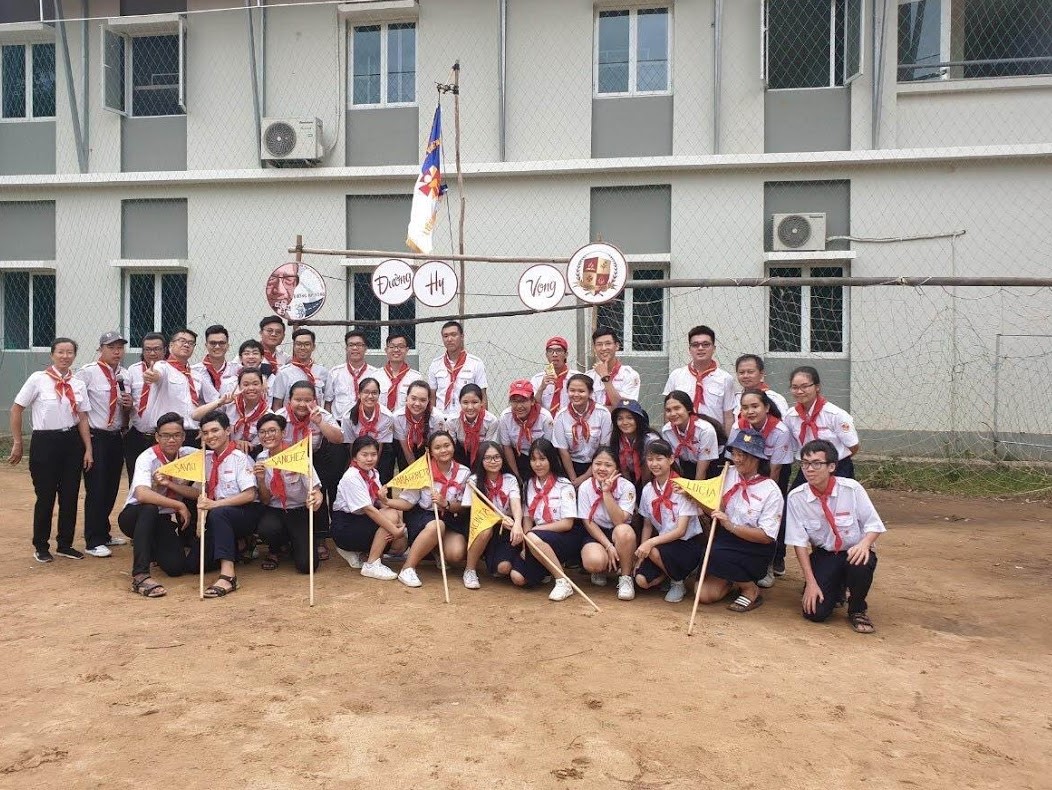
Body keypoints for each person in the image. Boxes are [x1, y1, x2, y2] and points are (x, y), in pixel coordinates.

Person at [785, 439, 885, 634]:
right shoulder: (796, 497)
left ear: (831, 466)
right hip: (825, 554)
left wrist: (864, 544)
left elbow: (874, 525)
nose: (809, 469)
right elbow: (799, 543)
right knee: (815, 613)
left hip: (853, 551)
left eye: (816, 463)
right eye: (805, 463)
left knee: (861, 563)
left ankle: (857, 608)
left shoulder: (851, 489)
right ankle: (837, 587)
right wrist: (811, 583)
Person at [9, 337, 93, 562]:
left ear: (75, 355)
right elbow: (17, 409)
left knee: (70, 495)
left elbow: (83, 417)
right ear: (52, 354)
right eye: (61, 352)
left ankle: (65, 544)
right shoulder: (38, 379)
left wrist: (88, 448)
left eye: (70, 352)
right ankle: (41, 545)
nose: (65, 356)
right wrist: (18, 442)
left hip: (71, 442)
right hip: (45, 442)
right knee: (45, 496)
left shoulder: (78, 383)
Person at [694, 429, 783, 613]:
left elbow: (766, 536)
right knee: (703, 594)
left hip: (754, 547)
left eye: (743, 455)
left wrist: (730, 525)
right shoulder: (728, 474)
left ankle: (750, 588)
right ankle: (732, 580)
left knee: (717, 554)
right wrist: (694, 497)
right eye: (734, 454)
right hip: (727, 539)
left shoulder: (771, 491)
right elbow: (716, 510)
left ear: (757, 458)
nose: (737, 459)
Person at [117, 412, 200, 597]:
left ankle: (154, 547)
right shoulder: (147, 458)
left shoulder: (190, 455)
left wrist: (170, 485)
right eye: (165, 435)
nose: (171, 440)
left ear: (184, 436)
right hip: (134, 516)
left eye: (176, 435)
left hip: (162, 519)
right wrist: (179, 505)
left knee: (175, 567)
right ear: (157, 437)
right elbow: (142, 494)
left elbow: (198, 493)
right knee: (149, 508)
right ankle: (140, 575)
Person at [75, 331, 133, 557]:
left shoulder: (124, 375)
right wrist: (85, 444)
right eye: (111, 347)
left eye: (120, 347)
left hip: (116, 436)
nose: (117, 352)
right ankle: (93, 540)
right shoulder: (87, 372)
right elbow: (79, 408)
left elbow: (126, 412)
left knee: (111, 487)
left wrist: (128, 406)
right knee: (96, 488)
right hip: (95, 436)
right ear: (101, 349)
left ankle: (104, 532)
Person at [393, 431, 471, 589]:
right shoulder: (422, 471)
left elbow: (464, 507)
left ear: (453, 447)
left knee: (456, 554)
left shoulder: (464, 472)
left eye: (447, 445)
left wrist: (446, 503)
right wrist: (386, 501)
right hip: (424, 516)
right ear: (430, 451)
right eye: (438, 447)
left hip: (450, 516)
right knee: (437, 525)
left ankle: (435, 550)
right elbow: (408, 502)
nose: (443, 450)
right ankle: (407, 568)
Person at [509, 438, 581, 602]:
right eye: (533, 459)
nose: (538, 464)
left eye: (542, 459)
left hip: (564, 537)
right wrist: (527, 543)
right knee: (517, 577)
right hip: (538, 540)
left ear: (551, 460)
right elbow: (527, 517)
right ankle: (547, 570)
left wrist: (533, 533)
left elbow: (567, 523)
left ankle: (562, 581)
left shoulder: (564, 485)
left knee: (533, 537)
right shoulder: (529, 484)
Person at [196, 410, 258, 598]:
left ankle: (228, 575)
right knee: (193, 565)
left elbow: (249, 495)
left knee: (219, 513)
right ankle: (237, 547)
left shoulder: (240, 458)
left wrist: (215, 505)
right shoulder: (206, 459)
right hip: (217, 516)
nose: (210, 436)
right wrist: (169, 485)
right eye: (205, 433)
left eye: (215, 430)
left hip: (243, 513)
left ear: (228, 430)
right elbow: (199, 492)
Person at [634, 439, 704, 604]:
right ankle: (668, 573)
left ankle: (678, 582)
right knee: (641, 581)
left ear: (671, 459)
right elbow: (647, 524)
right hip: (663, 543)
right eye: (650, 459)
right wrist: (642, 554)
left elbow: (681, 531)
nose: (654, 464)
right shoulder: (648, 490)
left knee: (653, 551)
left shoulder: (682, 488)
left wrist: (650, 543)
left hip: (686, 544)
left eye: (659, 459)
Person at [253, 413, 324, 574]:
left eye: (272, 430)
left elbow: (316, 491)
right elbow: (265, 500)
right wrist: (261, 480)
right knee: (267, 529)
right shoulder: (261, 459)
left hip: (299, 510)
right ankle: (276, 548)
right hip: (275, 509)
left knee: (307, 566)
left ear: (283, 433)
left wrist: (315, 499)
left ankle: (294, 544)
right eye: (262, 432)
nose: (267, 435)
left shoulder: (298, 456)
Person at [330, 436, 406, 580]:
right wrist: (394, 529)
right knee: (390, 516)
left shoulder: (373, 473)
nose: (369, 459)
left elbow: (381, 502)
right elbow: (370, 510)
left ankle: (362, 552)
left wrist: (398, 523)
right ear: (355, 456)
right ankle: (372, 564)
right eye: (364, 455)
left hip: (362, 521)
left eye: (373, 454)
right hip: (346, 526)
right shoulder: (352, 476)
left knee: (400, 544)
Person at [461, 440, 523, 589]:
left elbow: (515, 503)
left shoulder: (510, 479)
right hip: (480, 525)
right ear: (480, 460)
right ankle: (470, 570)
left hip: (506, 527)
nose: (493, 461)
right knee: (486, 530)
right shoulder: (473, 481)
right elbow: (472, 511)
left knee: (503, 568)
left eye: (496, 457)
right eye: (487, 458)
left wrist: (517, 524)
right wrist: (499, 520)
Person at [578, 447, 638, 600]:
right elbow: (588, 522)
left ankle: (625, 578)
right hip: (597, 531)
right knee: (594, 562)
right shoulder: (585, 487)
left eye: (608, 465)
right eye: (598, 464)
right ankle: (601, 570)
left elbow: (619, 521)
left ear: (617, 468)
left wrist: (606, 492)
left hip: (620, 532)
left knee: (624, 531)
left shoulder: (627, 487)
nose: (602, 468)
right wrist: (608, 546)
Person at [782, 366, 860, 481]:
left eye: (805, 386)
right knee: (796, 492)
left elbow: (853, 446)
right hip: (808, 467)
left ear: (817, 387)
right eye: (795, 387)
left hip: (836, 467)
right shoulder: (790, 416)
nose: (799, 391)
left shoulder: (835, 414)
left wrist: (830, 462)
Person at [662, 325, 736, 435]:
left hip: (714, 437)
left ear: (714, 348)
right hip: (681, 437)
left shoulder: (725, 378)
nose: (700, 348)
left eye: (706, 344)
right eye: (695, 345)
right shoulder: (676, 375)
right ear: (689, 349)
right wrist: (669, 437)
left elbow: (728, 415)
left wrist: (727, 443)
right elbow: (667, 410)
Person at [141, 328, 205, 446]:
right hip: (167, 434)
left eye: (191, 343)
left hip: (193, 434)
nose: (186, 345)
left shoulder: (197, 375)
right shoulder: (163, 366)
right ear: (171, 345)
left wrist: (205, 426)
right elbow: (157, 374)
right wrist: (152, 376)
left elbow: (212, 400)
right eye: (182, 341)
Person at [192, 366, 270, 456]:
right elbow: (195, 416)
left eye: (255, 384)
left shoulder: (267, 414)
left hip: (250, 454)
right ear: (239, 387)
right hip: (222, 450)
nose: (251, 388)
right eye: (246, 384)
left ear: (262, 386)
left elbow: (258, 446)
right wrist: (220, 402)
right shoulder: (230, 404)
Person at [552, 373, 612, 486]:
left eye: (581, 391)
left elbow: (603, 448)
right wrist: (574, 479)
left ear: (590, 393)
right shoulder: (561, 416)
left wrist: (584, 477)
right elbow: (563, 451)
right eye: (572, 390)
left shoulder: (603, 414)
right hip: (570, 466)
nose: (576, 394)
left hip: (597, 464)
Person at [123, 332, 167, 480]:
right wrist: (127, 403)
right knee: (136, 479)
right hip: (138, 434)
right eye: (148, 349)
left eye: (157, 349)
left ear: (165, 350)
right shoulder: (133, 370)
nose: (152, 353)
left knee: (162, 480)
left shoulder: (171, 370)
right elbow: (127, 402)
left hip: (163, 437)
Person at [427, 320, 488, 416]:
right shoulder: (435, 364)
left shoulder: (475, 363)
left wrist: (482, 420)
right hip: (442, 418)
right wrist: (432, 418)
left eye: (453, 335)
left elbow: (482, 396)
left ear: (462, 337)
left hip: (466, 417)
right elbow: (432, 396)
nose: (449, 339)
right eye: (445, 336)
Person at [341, 377, 397, 482]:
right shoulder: (348, 417)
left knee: (382, 477)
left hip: (379, 450)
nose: (370, 396)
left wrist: (372, 467)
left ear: (379, 395)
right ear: (359, 394)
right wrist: (356, 464)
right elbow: (351, 443)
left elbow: (381, 443)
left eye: (374, 393)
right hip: (356, 451)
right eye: (366, 392)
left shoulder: (387, 416)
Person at [497, 380, 554, 481]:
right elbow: (507, 447)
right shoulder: (505, 417)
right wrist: (516, 477)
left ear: (532, 401)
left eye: (523, 401)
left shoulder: (545, 417)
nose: (519, 406)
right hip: (517, 456)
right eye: (514, 401)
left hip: (540, 457)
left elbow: (548, 450)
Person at [660, 390, 724, 480]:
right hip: (688, 464)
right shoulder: (667, 431)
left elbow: (701, 471)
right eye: (668, 410)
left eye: (677, 408)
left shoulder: (705, 430)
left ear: (688, 409)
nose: (673, 414)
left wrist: (695, 488)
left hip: (712, 464)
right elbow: (674, 463)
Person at [270, 328, 328, 409]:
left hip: (315, 415)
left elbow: (328, 400)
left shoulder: (322, 371)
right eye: (298, 344)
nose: (302, 348)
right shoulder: (284, 372)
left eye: (307, 344)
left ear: (313, 347)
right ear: (294, 346)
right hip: (290, 416)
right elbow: (277, 403)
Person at [610, 399, 659, 495]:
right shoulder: (616, 439)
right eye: (620, 419)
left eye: (630, 418)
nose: (625, 422)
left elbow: (652, 467)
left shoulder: (651, 440)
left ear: (638, 419)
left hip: (652, 479)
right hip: (628, 480)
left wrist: (644, 492)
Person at [324, 330, 377, 418]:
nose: (355, 348)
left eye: (359, 345)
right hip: (339, 422)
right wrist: (329, 423)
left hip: (367, 422)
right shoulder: (335, 372)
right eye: (351, 345)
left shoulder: (375, 374)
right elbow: (328, 402)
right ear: (346, 348)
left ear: (365, 348)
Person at [393, 380, 445, 469]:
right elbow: (406, 450)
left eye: (423, 400)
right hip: (408, 447)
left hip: (430, 448)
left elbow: (438, 448)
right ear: (406, 398)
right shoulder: (398, 417)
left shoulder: (437, 417)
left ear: (428, 401)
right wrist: (416, 471)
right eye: (413, 398)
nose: (417, 404)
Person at [587, 328, 640, 408]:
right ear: (594, 349)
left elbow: (624, 408)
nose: (604, 348)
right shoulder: (588, 376)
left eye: (608, 343)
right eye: (599, 344)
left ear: (617, 346)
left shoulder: (629, 374)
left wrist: (605, 378)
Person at [447, 383, 496, 467]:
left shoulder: (491, 421)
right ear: (460, 402)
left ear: (482, 402)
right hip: (461, 453)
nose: (470, 407)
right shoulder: (452, 421)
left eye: (475, 402)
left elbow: (489, 448)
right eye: (465, 402)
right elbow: (451, 447)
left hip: (483, 454)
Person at [375, 331, 424, 413]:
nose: (396, 350)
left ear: (407, 350)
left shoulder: (416, 378)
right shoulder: (376, 376)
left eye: (401, 346)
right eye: (392, 346)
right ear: (386, 350)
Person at [530, 336, 579, 414]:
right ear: (546, 355)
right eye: (550, 351)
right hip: (546, 420)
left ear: (566, 354)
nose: (554, 354)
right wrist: (541, 388)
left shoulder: (577, 378)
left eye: (558, 350)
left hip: (570, 419)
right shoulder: (537, 379)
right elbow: (532, 406)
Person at [193, 324, 238, 403]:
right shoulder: (194, 371)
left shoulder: (237, 369)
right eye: (213, 343)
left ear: (227, 346)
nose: (217, 346)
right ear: (206, 345)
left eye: (222, 343)